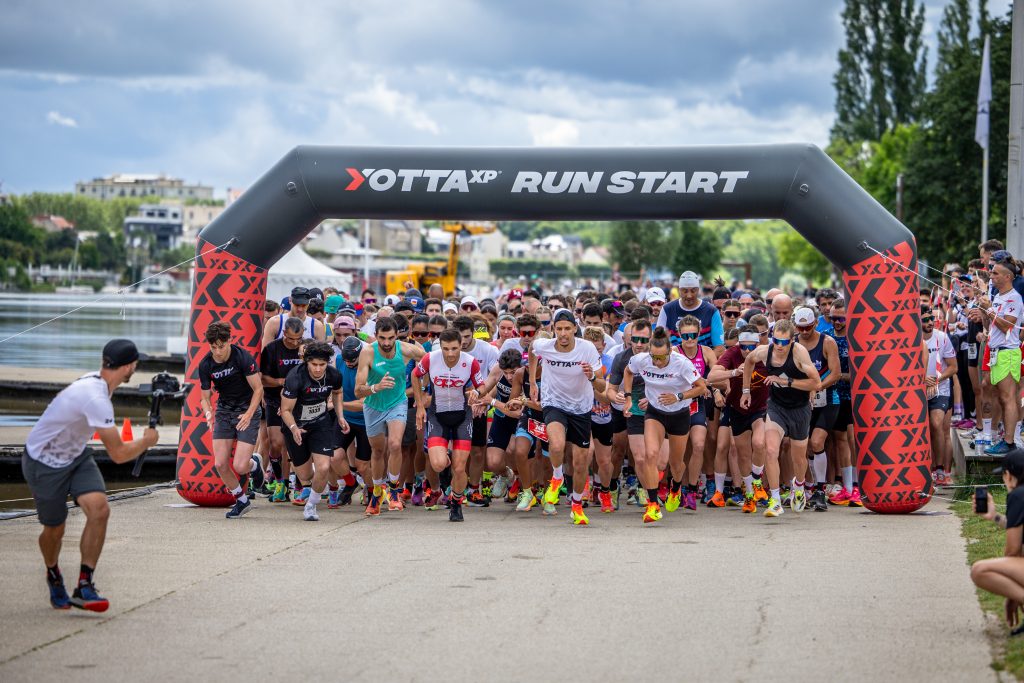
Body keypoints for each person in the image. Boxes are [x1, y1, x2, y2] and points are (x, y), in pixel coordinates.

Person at [23, 339, 159, 611]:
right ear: (129, 367)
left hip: (75, 456)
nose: (135, 368)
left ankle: (85, 585)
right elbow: (118, 454)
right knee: (55, 529)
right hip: (42, 462)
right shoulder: (95, 397)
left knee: (99, 509)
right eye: (135, 364)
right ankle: (53, 572)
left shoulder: (99, 383)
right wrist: (147, 441)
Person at [528, 309, 607, 525]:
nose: (563, 333)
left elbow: (601, 384)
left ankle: (577, 506)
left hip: (581, 407)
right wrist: (533, 381)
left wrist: (592, 376)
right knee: (556, 445)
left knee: (581, 463)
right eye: (559, 329)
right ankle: (557, 477)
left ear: (574, 329)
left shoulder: (587, 348)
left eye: (567, 329)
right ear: (554, 329)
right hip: (554, 402)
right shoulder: (545, 345)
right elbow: (532, 349)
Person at [623, 327, 706, 523]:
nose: (657, 362)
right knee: (650, 455)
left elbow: (701, 387)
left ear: (670, 352)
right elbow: (628, 371)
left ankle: (675, 487)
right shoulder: (641, 360)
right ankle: (653, 505)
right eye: (654, 357)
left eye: (661, 358)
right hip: (655, 412)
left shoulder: (682, 363)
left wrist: (678, 396)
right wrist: (628, 397)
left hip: (679, 414)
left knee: (676, 464)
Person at [741, 319, 821, 517]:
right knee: (770, 450)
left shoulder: (799, 353)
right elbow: (749, 361)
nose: (779, 345)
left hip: (800, 408)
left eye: (784, 342)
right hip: (776, 407)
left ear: (792, 341)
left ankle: (799, 485)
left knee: (798, 458)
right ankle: (775, 500)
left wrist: (786, 381)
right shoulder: (764, 351)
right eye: (776, 340)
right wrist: (746, 391)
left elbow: (816, 384)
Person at [412, 328, 487, 522]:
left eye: (454, 348)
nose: (450, 353)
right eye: (446, 349)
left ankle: (456, 503)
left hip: (462, 416)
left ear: (461, 345)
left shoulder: (470, 362)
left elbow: (482, 385)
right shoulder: (430, 359)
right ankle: (447, 464)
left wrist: (477, 393)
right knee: (438, 464)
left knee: (460, 468)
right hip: (438, 415)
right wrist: (420, 406)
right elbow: (415, 375)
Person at [354, 316, 425, 515]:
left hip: (397, 403)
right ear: (375, 335)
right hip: (373, 405)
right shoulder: (368, 353)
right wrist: (376, 387)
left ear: (397, 336)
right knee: (377, 451)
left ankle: (394, 490)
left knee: (395, 444)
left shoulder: (406, 349)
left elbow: (430, 360)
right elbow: (358, 390)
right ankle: (377, 492)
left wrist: (423, 386)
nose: (386, 343)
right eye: (382, 338)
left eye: (391, 338)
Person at [197, 321, 265, 519]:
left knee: (240, 467)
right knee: (220, 464)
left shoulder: (242, 357)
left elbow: (258, 389)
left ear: (229, 341)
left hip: (247, 409)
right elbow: (204, 397)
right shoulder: (205, 364)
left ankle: (254, 463)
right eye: (213, 347)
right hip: (224, 412)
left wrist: (249, 414)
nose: (217, 352)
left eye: (221, 346)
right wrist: (208, 412)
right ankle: (241, 500)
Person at [279, 341, 349, 521]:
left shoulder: (334, 375)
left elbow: (338, 393)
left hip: (320, 423)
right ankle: (311, 481)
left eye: (322, 365)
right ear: (307, 362)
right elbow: (285, 410)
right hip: (296, 425)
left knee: (323, 468)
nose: (318, 369)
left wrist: (340, 416)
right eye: (314, 364)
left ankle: (311, 506)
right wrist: (293, 428)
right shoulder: (295, 377)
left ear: (328, 363)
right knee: (305, 475)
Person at [971, 449, 1024, 636]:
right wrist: (995, 517)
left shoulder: (1018, 495)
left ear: (1008, 476)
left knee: (979, 570)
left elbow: (1013, 550)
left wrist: (1013, 593)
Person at [793, 306, 841, 512]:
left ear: (815, 323)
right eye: (800, 328)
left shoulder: (827, 342)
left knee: (817, 441)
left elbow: (836, 373)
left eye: (808, 328)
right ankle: (810, 486)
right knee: (806, 446)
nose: (804, 332)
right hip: (803, 401)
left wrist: (817, 386)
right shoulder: (793, 344)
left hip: (828, 399)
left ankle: (820, 490)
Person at [976, 261, 1023, 456]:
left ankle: (1010, 442)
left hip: (1007, 352)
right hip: (996, 351)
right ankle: (1003, 437)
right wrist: (983, 311)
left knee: (1007, 397)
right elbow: (991, 325)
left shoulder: (1014, 298)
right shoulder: (997, 296)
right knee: (999, 397)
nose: (991, 276)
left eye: (995, 273)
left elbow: (1007, 327)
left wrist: (990, 309)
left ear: (1007, 277)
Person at [260, 317, 305, 503]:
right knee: (276, 443)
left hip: (299, 402)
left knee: (296, 444)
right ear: (284, 333)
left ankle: (300, 485)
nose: (295, 343)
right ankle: (280, 482)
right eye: (291, 339)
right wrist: (281, 382)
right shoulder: (272, 349)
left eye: (298, 339)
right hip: (274, 399)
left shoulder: (305, 348)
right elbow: (263, 378)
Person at [921, 306, 958, 484]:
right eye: (925, 320)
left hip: (940, 389)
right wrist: (921, 379)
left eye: (931, 319)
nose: (930, 322)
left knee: (936, 424)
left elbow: (953, 367)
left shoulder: (942, 337)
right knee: (925, 430)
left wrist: (937, 379)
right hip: (919, 389)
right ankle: (928, 469)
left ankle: (941, 470)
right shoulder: (912, 340)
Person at [657, 271, 725, 355]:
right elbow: (658, 343)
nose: (689, 295)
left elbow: (719, 348)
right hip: (675, 360)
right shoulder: (667, 310)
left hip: (704, 361)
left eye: (693, 291)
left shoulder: (711, 311)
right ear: (679, 290)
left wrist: (701, 360)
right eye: (685, 291)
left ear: (698, 290)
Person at [262, 286, 326, 344]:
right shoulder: (274, 323)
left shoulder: (317, 326)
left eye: (304, 305)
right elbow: (265, 351)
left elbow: (322, 353)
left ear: (308, 303)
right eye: (297, 305)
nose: (300, 309)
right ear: (290, 300)